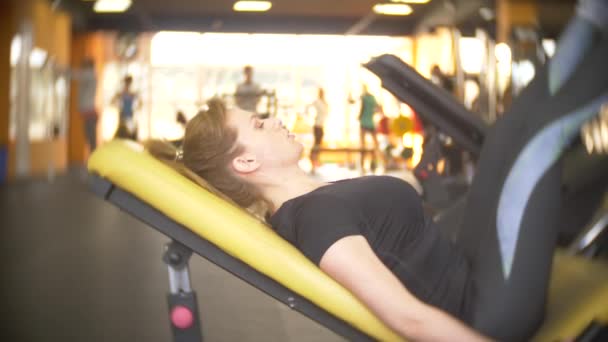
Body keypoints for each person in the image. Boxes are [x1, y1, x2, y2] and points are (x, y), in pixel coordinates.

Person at [146, 98, 499, 341]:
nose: (273, 120)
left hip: (479, 274)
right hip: (483, 307)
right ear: (247, 163)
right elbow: (409, 318)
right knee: (532, 130)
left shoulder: (314, 200)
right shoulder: (318, 218)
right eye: (258, 124)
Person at [354, 85, 384, 172]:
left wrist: (359, 116)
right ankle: (380, 163)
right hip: (371, 122)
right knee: (376, 144)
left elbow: (359, 107)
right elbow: (379, 109)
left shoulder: (363, 97)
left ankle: (363, 166)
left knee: (362, 145)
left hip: (364, 122)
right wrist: (372, 112)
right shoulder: (373, 98)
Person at [75, 58, 99, 153]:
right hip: (88, 112)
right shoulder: (89, 75)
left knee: (91, 138)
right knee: (89, 138)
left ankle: (94, 161)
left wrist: (56, 68)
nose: (82, 68)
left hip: (90, 113)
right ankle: (93, 160)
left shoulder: (89, 74)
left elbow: (73, 74)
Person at [306, 87, 329, 172]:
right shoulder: (317, 102)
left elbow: (326, 113)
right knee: (316, 145)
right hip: (317, 126)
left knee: (319, 145)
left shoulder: (324, 102)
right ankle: (312, 162)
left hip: (322, 126)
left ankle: (316, 161)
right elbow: (307, 107)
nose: (322, 94)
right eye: (321, 92)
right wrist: (310, 116)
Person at [112, 75, 139, 140]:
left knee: (131, 133)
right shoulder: (121, 93)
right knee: (122, 134)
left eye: (129, 83)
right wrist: (118, 107)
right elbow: (112, 101)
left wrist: (135, 108)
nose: (128, 84)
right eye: (127, 82)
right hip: (123, 115)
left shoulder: (132, 93)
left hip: (130, 115)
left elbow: (140, 103)